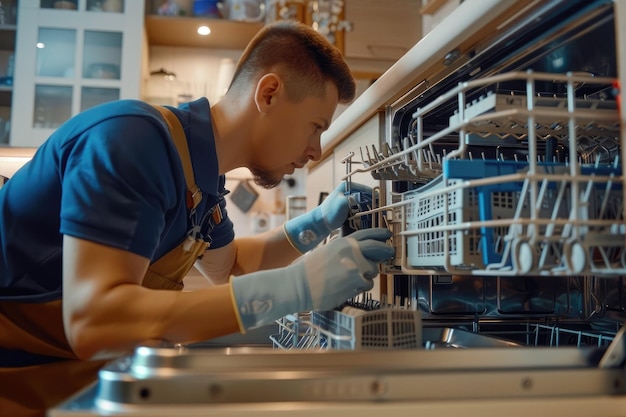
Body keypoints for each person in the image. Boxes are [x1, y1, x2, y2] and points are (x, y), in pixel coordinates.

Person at [0, 21, 394, 416]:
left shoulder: (204, 183)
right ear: (269, 93)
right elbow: (95, 322)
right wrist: (297, 285)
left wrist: (315, 225)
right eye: (316, 127)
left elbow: (232, 266)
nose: (316, 151)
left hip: (60, 389)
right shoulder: (133, 142)